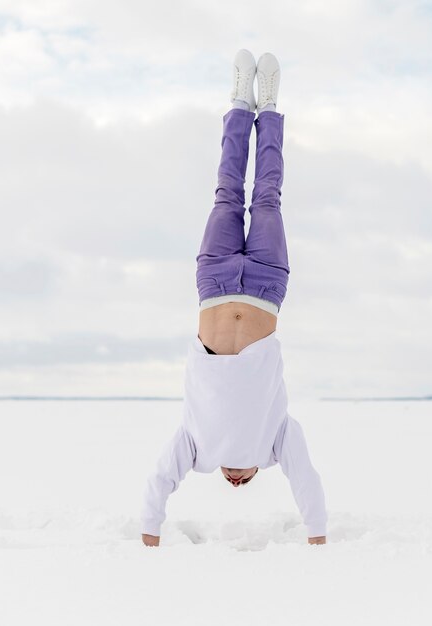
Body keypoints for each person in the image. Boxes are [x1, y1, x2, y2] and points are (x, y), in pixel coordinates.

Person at [140, 49, 327, 547]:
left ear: (220, 471)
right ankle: (268, 107)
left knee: (226, 192)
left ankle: (238, 100)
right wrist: (317, 531)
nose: (237, 480)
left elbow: (161, 478)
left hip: (215, 282)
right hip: (266, 285)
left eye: (231, 481)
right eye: (246, 481)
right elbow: (304, 475)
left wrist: (149, 529)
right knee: (266, 194)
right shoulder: (275, 442)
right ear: (260, 469)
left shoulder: (195, 448)